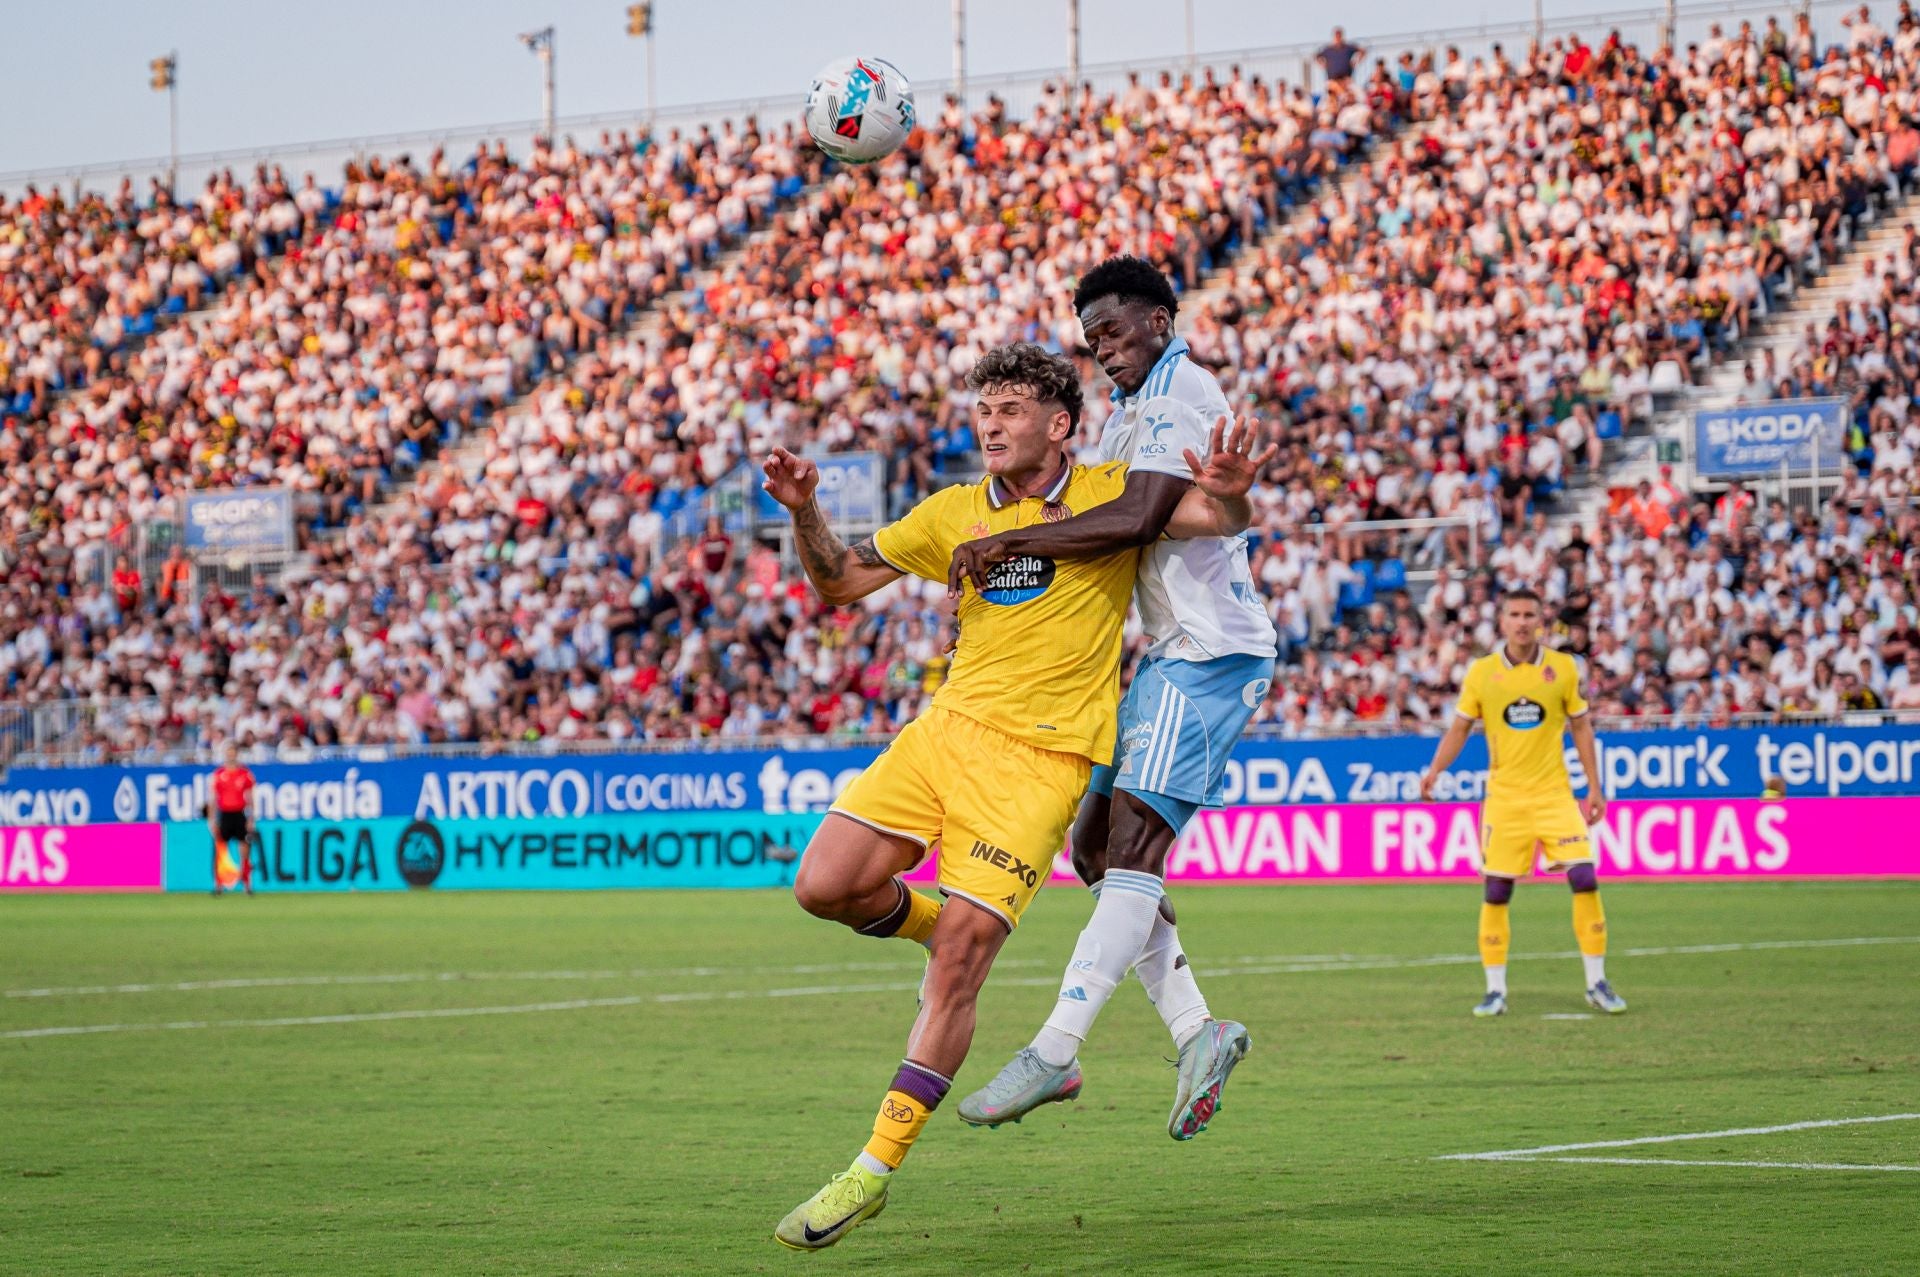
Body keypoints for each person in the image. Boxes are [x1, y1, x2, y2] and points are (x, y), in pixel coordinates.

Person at [763, 343, 1255, 1251]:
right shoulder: (951, 512)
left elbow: (1210, 516)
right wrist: (805, 513)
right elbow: (838, 581)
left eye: (1012, 408)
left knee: (959, 966)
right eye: (983, 407)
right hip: (945, 733)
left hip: (1044, 762)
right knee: (824, 885)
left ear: (1060, 423)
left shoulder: (1114, 489)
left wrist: (1228, 489)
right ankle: (938, 920)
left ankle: (868, 1171)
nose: (989, 423)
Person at [947, 255, 1279, 1140]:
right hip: (1167, 655)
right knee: (1097, 847)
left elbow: (1135, 519)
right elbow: (1173, 517)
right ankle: (1198, 1030)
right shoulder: (1132, 415)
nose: (1104, 350)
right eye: (1092, 338)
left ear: (1159, 322)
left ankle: (1055, 1049)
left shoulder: (1177, 395)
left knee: (1133, 842)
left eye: (1115, 331)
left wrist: (1018, 536)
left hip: (1210, 651)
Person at [1418, 588, 1624, 1016]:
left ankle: (1597, 982)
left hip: (1555, 795)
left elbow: (1582, 728)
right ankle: (1495, 990)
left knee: (1584, 877)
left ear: (1541, 620)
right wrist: (1435, 770)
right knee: (1497, 890)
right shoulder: (1482, 672)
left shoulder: (1564, 668)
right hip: (1505, 800)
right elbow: (1460, 728)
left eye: (1530, 614)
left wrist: (1595, 787)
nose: (1523, 621)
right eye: (1514, 613)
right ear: (1503, 621)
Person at [208, 745, 256, 897]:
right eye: (228, 753)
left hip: (240, 813)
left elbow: (250, 798)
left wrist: (251, 818)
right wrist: (212, 819)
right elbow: (213, 799)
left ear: (237, 755)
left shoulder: (245, 774)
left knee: (245, 850)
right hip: (225, 814)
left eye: (233, 753)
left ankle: (247, 884)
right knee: (221, 850)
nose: (231, 756)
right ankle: (219, 884)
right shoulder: (219, 774)